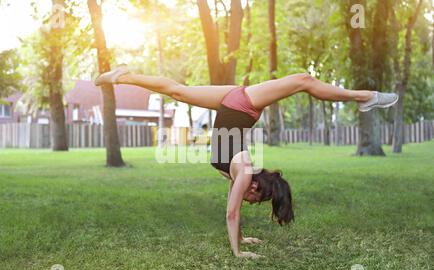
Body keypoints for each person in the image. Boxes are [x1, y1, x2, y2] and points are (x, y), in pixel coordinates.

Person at [95, 65, 398, 259]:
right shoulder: (243, 174)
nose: (252, 201)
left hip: (234, 106)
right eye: (258, 197)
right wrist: (238, 252)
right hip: (242, 106)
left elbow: (233, 210)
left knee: (177, 90)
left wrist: (242, 236)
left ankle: (123, 76)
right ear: (255, 185)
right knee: (303, 80)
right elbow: (230, 213)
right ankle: (364, 96)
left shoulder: (240, 173)